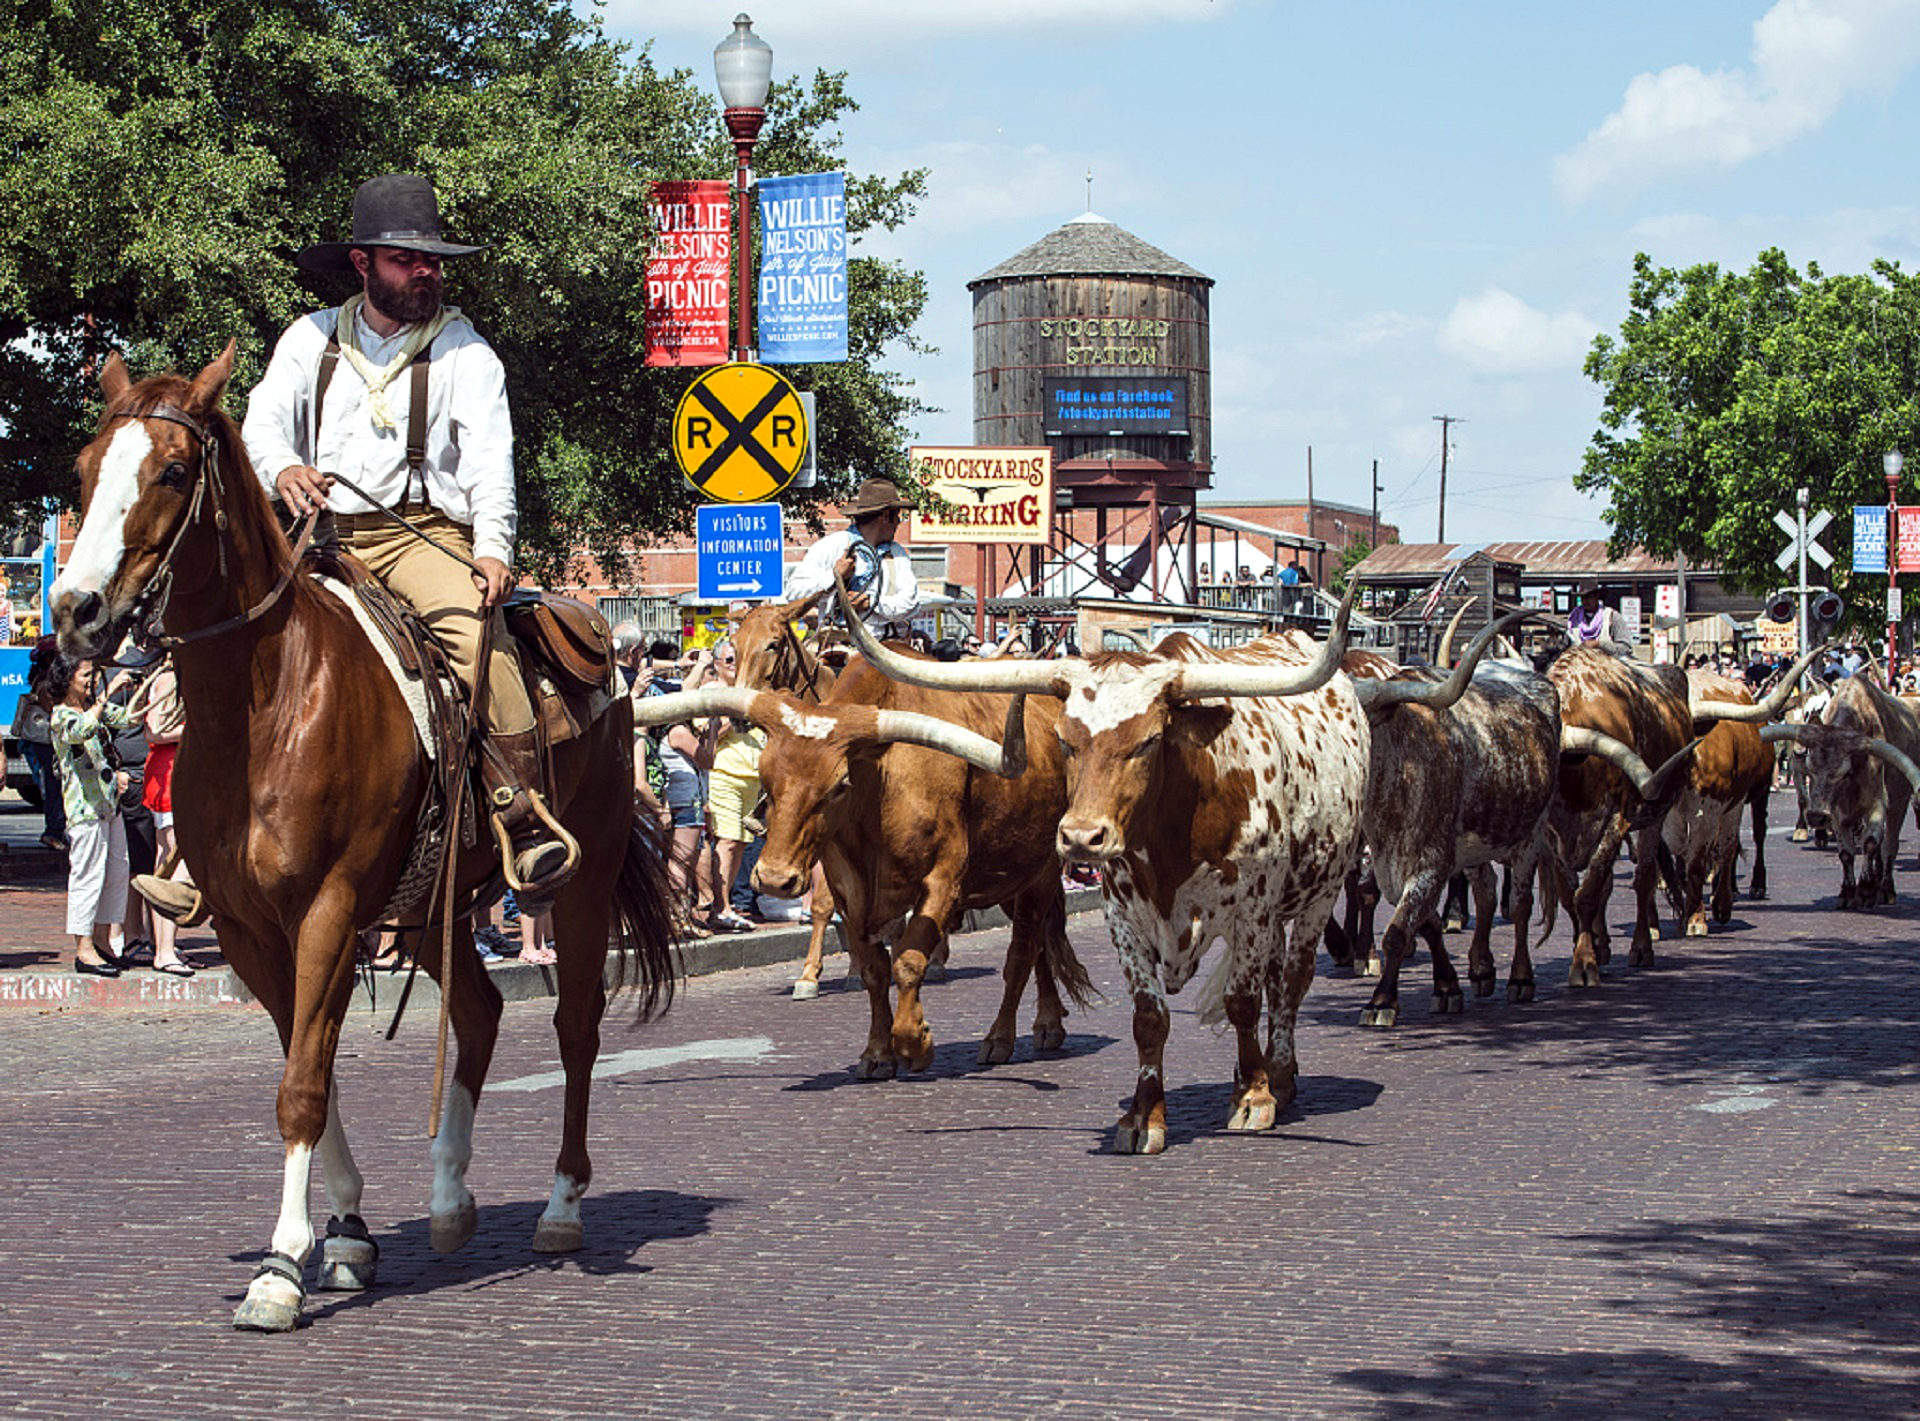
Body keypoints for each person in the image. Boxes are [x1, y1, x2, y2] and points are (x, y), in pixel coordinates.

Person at [240, 171, 573, 912]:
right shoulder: (308, 339)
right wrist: (285, 466)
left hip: (421, 535)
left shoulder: (465, 352)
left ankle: (522, 816)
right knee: (237, 642)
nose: (424, 271)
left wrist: (491, 548)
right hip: (321, 540)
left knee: (475, 638)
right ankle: (207, 841)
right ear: (362, 264)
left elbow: (492, 460)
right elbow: (261, 423)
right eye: (405, 259)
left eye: (431, 259)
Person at [48, 656, 136, 976]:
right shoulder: (62, 715)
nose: (91, 680)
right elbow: (82, 730)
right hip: (84, 811)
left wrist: (141, 689)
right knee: (87, 877)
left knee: (115, 873)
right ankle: (83, 950)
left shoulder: (93, 708)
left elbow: (127, 718)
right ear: (67, 678)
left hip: (109, 806)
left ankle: (101, 942)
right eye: (86, 675)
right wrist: (109, 691)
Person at [785, 477, 920, 636]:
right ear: (885, 516)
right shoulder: (832, 546)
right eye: (896, 515)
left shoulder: (897, 554)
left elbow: (910, 603)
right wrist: (835, 576)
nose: (898, 522)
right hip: (840, 642)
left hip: (886, 646)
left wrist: (870, 602)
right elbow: (793, 593)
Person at [12, 637, 65, 851]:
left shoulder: (42, 679)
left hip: (46, 742)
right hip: (47, 742)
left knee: (54, 785)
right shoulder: (46, 684)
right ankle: (53, 831)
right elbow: (55, 710)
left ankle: (56, 830)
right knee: (54, 785)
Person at [1567, 582, 1630, 656]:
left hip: (1607, 662)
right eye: (1583, 597)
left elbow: (1625, 648)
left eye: (1589, 597)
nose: (1585, 601)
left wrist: (1599, 644)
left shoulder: (1612, 616)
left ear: (1597, 597)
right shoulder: (1573, 618)